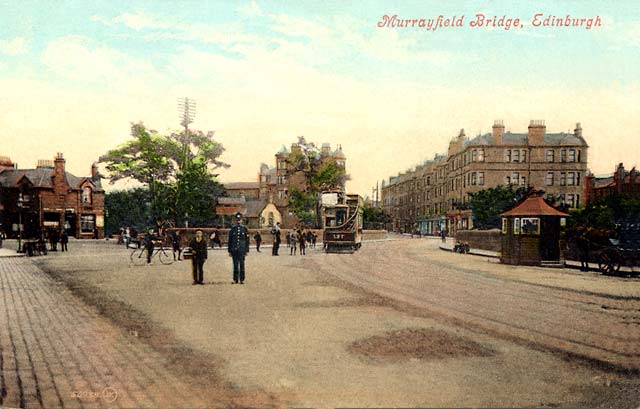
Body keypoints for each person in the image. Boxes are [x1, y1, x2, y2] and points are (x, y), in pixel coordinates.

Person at [228, 213, 249, 284]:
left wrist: (246, 250)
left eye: (239, 220)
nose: (238, 221)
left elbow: (247, 240)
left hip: (241, 249)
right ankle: (235, 279)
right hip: (234, 249)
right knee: (235, 265)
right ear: (235, 220)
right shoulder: (233, 229)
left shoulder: (244, 229)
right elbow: (230, 240)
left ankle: (242, 279)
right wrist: (229, 251)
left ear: (242, 220)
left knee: (242, 264)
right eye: (237, 220)